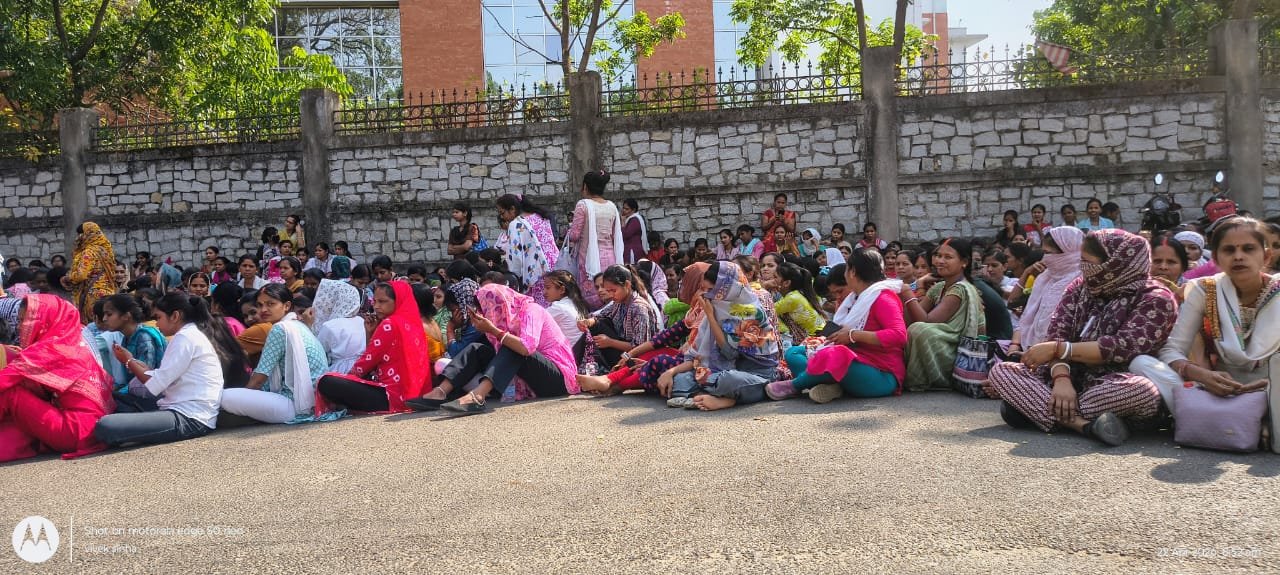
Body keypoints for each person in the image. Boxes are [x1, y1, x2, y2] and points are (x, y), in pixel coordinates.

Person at [988, 230, 1178, 447]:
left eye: (1088, 262)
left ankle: (1034, 410)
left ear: (1115, 264)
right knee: (1001, 371)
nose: (1082, 267)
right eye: (1081, 260)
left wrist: (1059, 350)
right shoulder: (1080, 287)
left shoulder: (1156, 299)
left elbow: (1119, 347)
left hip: (1113, 383)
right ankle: (1084, 425)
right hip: (1066, 378)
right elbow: (1058, 334)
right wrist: (1062, 379)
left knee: (1142, 391)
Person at [1131, 217, 1279, 452]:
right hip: (1217, 391)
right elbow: (1172, 349)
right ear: (1217, 259)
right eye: (1229, 250)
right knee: (1141, 362)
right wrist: (1200, 375)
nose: (1238, 256)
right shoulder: (1205, 289)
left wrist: (1269, 387)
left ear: (1267, 256)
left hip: (1273, 390)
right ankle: (1238, 422)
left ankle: (1252, 420)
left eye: (1248, 249)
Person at [95, 293, 249, 447]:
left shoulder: (186, 338)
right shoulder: (188, 334)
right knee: (116, 398)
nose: (156, 324)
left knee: (106, 426)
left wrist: (128, 360)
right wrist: (132, 361)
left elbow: (155, 384)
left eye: (159, 318)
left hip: (190, 418)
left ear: (175, 316)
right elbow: (160, 376)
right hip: (177, 406)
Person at [407, 283, 579, 414]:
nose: (486, 315)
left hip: (559, 379)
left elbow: (526, 348)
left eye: (486, 310)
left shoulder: (531, 310)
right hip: (534, 373)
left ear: (497, 304)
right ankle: (441, 392)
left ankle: (478, 396)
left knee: (513, 346)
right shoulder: (508, 318)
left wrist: (493, 330)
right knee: (477, 349)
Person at [769, 249, 907, 403]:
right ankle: (831, 386)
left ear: (853, 272)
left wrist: (852, 335)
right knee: (795, 352)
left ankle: (796, 385)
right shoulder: (855, 299)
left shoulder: (883, 298)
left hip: (882, 374)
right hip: (855, 361)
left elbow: (899, 335)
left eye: (847, 268)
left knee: (835, 354)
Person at [0, 295, 116, 462]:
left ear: (44, 321)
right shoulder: (72, 342)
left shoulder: (50, 349)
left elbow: (5, 380)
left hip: (74, 431)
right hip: (92, 428)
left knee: (11, 394)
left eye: (24, 320)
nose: (19, 327)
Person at [660, 261, 781, 411]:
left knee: (729, 380)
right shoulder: (717, 305)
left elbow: (729, 353)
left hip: (757, 374)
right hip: (722, 369)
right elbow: (698, 356)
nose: (706, 294)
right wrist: (671, 372)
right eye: (704, 289)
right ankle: (709, 394)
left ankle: (726, 399)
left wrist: (710, 316)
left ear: (725, 288)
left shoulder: (750, 311)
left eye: (710, 289)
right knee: (682, 378)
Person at [576, 263, 710, 396]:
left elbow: (702, 355)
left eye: (704, 289)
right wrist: (629, 354)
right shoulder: (696, 311)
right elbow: (666, 336)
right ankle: (608, 379)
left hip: (701, 362)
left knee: (656, 361)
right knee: (642, 355)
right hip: (686, 357)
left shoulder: (639, 308)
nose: (699, 293)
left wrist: (612, 343)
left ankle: (613, 383)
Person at [220, 285, 336, 424]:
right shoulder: (297, 324)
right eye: (260, 305)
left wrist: (244, 397)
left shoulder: (281, 328)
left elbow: (259, 378)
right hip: (314, 401)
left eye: (271, 304)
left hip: (293, 405)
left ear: (286, 306)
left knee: (225, 396)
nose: (263, 310)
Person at [316, 281, 433, 413]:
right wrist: (369, 333)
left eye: (382, 302)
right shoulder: (413, 322)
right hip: (415, 396)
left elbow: (364, 365)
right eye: (375, 302)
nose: (376, 306)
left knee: (326, 381)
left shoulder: (390, 324)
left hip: (392, 396)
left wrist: (348, 378)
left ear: (397, 301)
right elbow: (373, 359)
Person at [899, 237, 986, 392]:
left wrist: (908, 294)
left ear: (964, 262)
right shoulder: (939, 287)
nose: (940, 261)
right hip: (944, 344)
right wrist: (913, 293)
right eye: (938, 256)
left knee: (920, 330)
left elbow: (927, 321)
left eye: (948, 257)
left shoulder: (960, 289)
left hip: (957, 351)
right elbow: (910, 319)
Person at [1007, 227, 1085, 355]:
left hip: (1058, 357)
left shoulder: (1080, 283)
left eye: (1048, 253)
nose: (1045, 258)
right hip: (1027, 348)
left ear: (1066, 253)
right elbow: (1025, 316)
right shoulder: (1045, 278)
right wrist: (1014, 345)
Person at [578, 266, 658, 370]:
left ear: (627, 285)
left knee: (598, 325)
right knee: (596, 324)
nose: (610, 294)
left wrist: (610, 342)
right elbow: (602, 315)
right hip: (623, 351)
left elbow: (640, 346)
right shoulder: (619, 302)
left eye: (613, 290)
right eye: (608, 291)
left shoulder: (639, 308)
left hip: (637, 359)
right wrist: (588, 322)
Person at [567, 170, 624, 308]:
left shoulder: (583, 205)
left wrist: (569, 230)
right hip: (610, 258)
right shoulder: (611, 206)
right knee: (609, 295)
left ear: (585, 186)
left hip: (589, 259)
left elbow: (574, 236)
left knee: (592, 298)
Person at [100, 294, 168, 393]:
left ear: (126, 316)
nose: (104, 319)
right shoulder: (126, 338)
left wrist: (118, 392)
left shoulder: (144, 338)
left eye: (109, 314)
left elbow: (145, 380)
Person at [495, 194, 556, 303]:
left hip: (535, 272)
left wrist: (514, 277)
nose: (502, 217)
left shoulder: (515, 224)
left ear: (512, 209)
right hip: (554, 266)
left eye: (502, 213)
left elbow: (515, 258)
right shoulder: (541, 216)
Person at [66, 222, 119, 323]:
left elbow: (81, 275)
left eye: (80, 234)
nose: (78, 237)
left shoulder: (89, 252)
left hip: (93, 295)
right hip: (108, 291)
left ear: (87, 234)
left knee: (95, 325)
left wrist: (68, 278)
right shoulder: (105, 250)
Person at [312, 279, 367, 374]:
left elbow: (319, 351)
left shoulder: (330, 325)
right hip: (363, 367)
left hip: (339, 371)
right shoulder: (361, 320)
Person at [773, 262, 826, 344]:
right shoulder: (797, 293)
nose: (772, 280)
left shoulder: (792, 298)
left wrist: (764, 287)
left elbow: (768, 311)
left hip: (815, 338)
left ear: (786, 283)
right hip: (818, 334)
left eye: (775, 277)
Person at [1149, 233, 1190, 300]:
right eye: (1157, 261)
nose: (1163, 267)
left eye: (1171, 262)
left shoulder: (1194, 291)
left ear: (1183, 267)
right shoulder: (1134, 289)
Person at [619, 198, 650, 264]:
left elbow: (625, 234)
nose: (624, 211)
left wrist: (623, 222)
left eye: (627, 209)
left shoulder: (634, 220)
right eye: (623, 208)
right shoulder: (631, 219)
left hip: (633, 251)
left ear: (633, 210)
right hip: (630, 249)